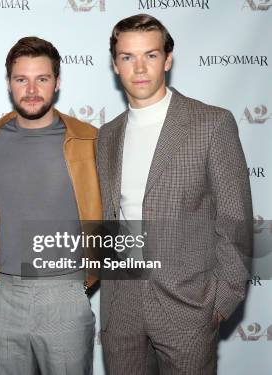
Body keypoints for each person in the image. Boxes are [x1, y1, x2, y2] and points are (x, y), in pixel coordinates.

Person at [97, 14, 253, 374]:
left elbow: (235, 219)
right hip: (121, 306)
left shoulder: (211, 123)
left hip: (188, 304)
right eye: (127, 57)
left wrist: (221, 299)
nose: (139, 67)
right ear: (114, 64)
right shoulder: (107, 135)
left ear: (167, 59)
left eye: (150, 55)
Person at [0, 36, 103, 375]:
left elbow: (113, 211)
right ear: (9, 84)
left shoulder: (90, 141)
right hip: (4, 295)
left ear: (57, 83)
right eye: (21, 79)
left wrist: (88, 278)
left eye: (41, 79)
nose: (31, 89)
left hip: (65, 294)